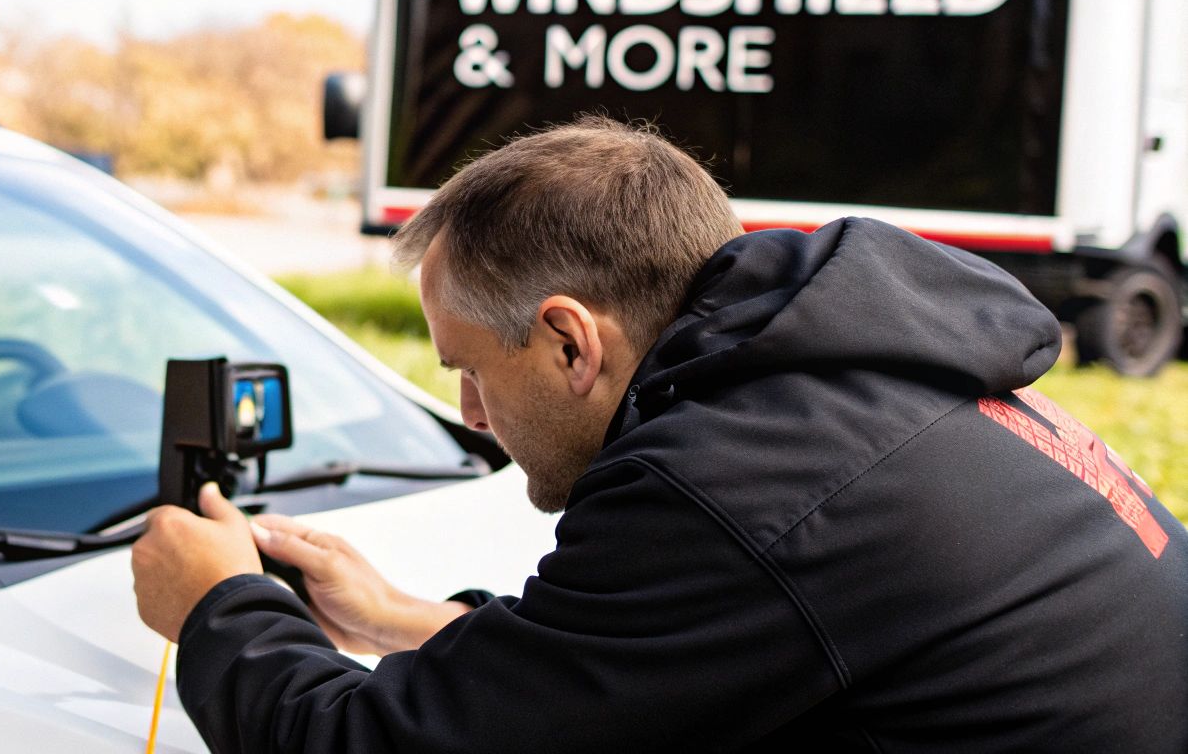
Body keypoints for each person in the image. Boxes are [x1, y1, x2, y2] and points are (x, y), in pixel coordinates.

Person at [130, 116, 1188, 752]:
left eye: (465, 368)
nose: (467, 412)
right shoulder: (852, 381)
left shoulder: (730, 486)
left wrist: (217, 608)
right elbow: (673, 658)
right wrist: (412, 620)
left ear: (566, 343)